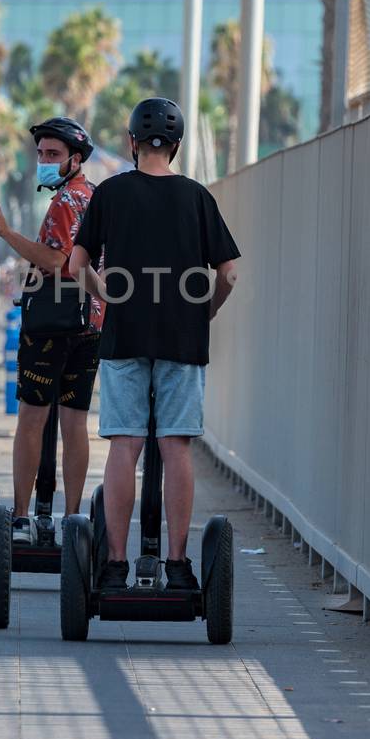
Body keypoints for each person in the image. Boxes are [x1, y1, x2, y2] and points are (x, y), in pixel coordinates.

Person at [69, 97, 241, 592]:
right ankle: (180, 564)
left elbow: (78, 267)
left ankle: (117, 565)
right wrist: (203, 311)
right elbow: (229, 272)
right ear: (178, 147)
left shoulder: (111, 195)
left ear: (131, 143)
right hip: (182, 338)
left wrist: (107, 295)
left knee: (124, 445)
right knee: (176, 447)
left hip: (124, 335)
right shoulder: (196, 197)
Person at [0, 117, 101, 545]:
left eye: (53, 155)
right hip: (90, 324)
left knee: (32, 418)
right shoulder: (94, 196)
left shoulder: (67, 200)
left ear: (75, 158)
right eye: (41, 154)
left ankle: (20, 517)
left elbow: (56, 262)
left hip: (52, 323)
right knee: (74, 422)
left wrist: (6, 233)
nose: (44, 162)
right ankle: (72, 520)